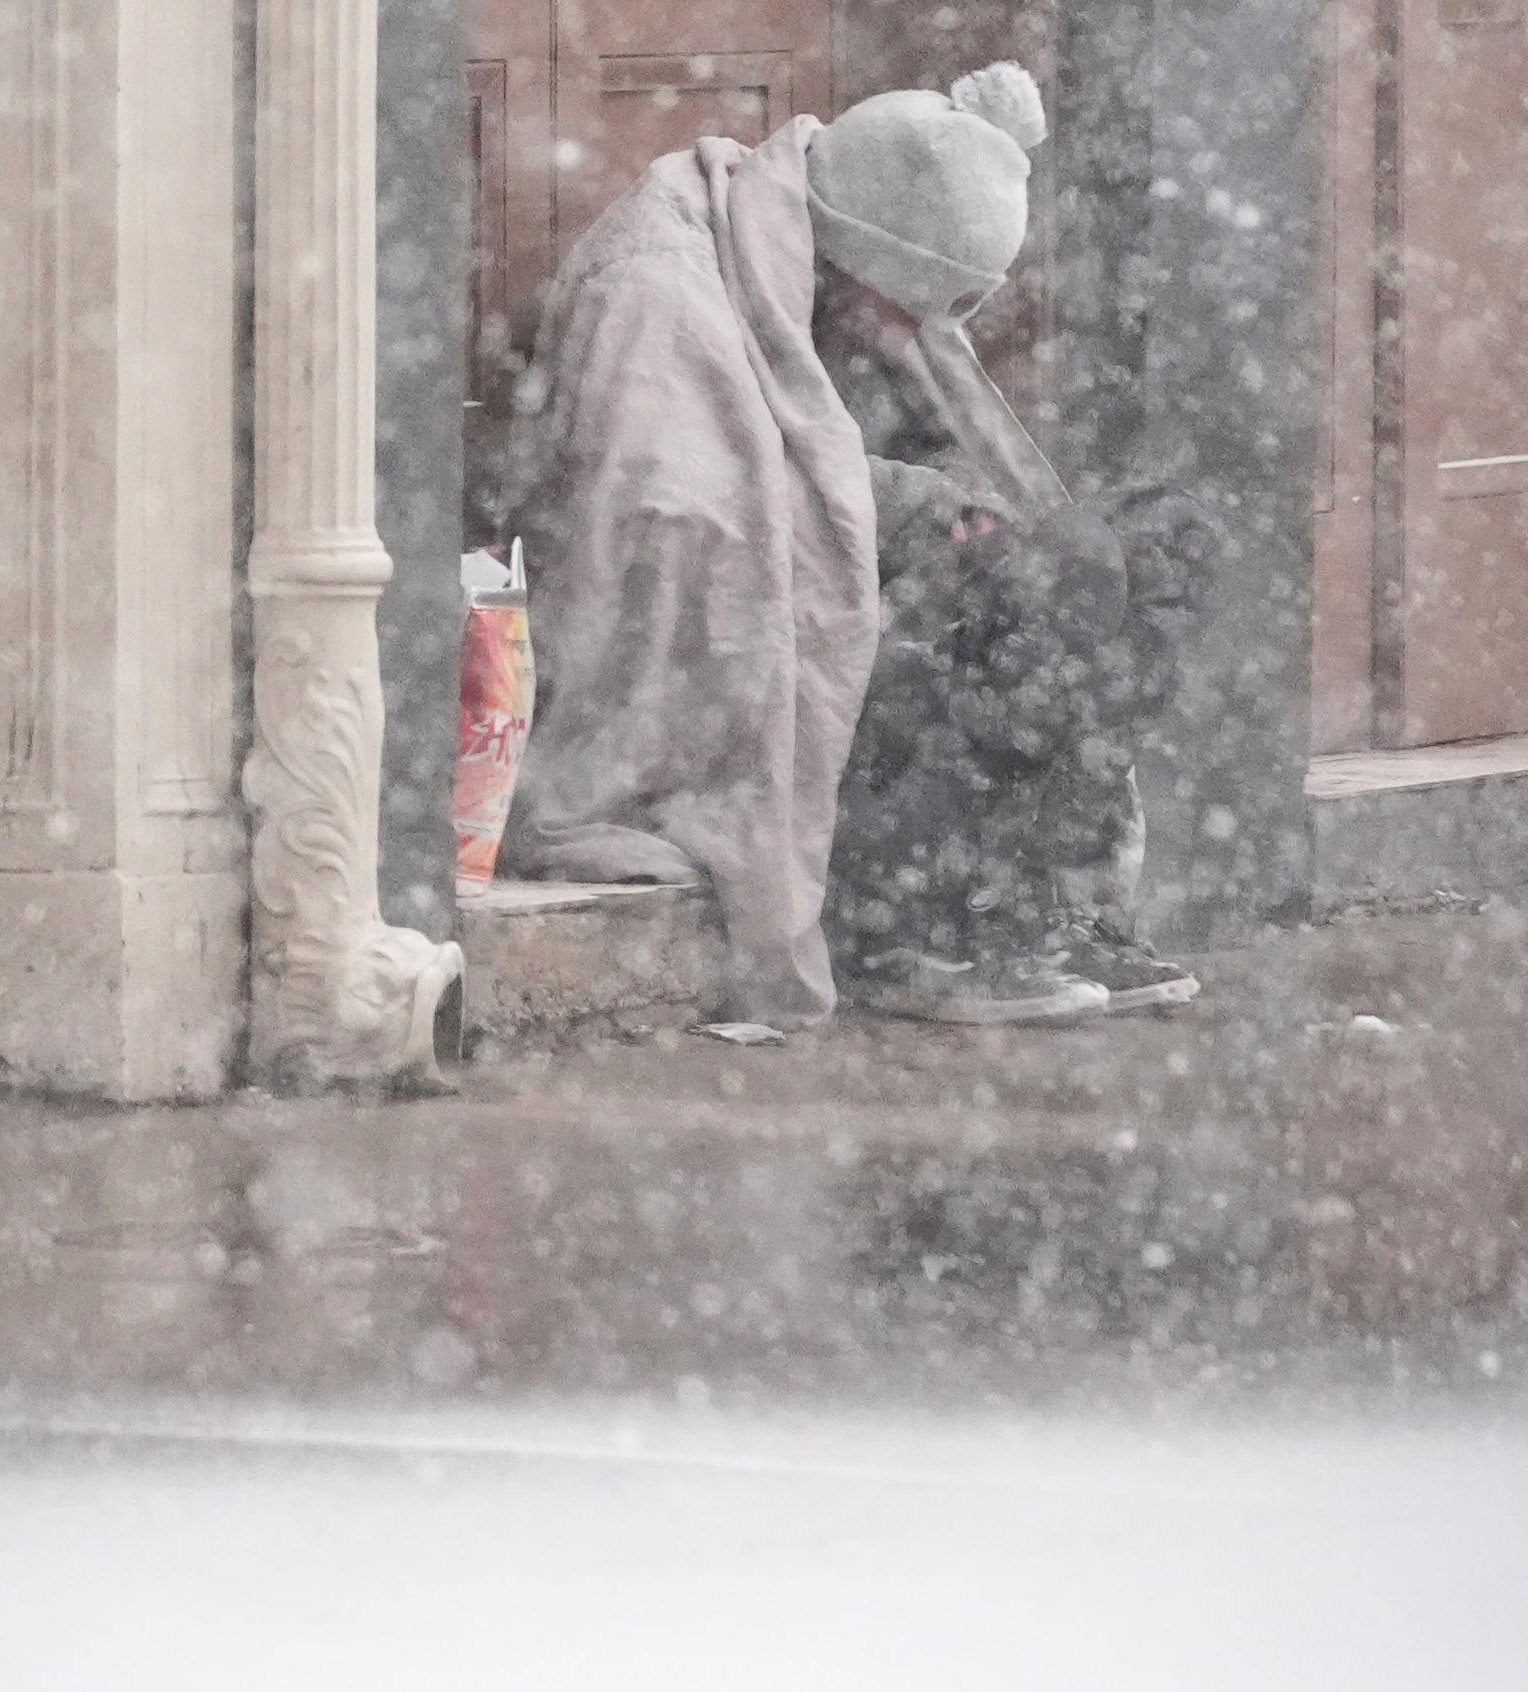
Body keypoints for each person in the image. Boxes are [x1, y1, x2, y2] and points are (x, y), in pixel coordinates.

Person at [498, 65, 1203, 1029]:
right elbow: (685, 539)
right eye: (898, 307)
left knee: (1121, 553)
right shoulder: (656, 291)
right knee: (1011, 607)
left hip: (803, 588)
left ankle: (1035, 907)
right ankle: (910, 926)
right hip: (703, 667)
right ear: (855, 253)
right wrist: (906, 542)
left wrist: (931, 513)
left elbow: (800, 464)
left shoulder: (807, 258)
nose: (899, 339)